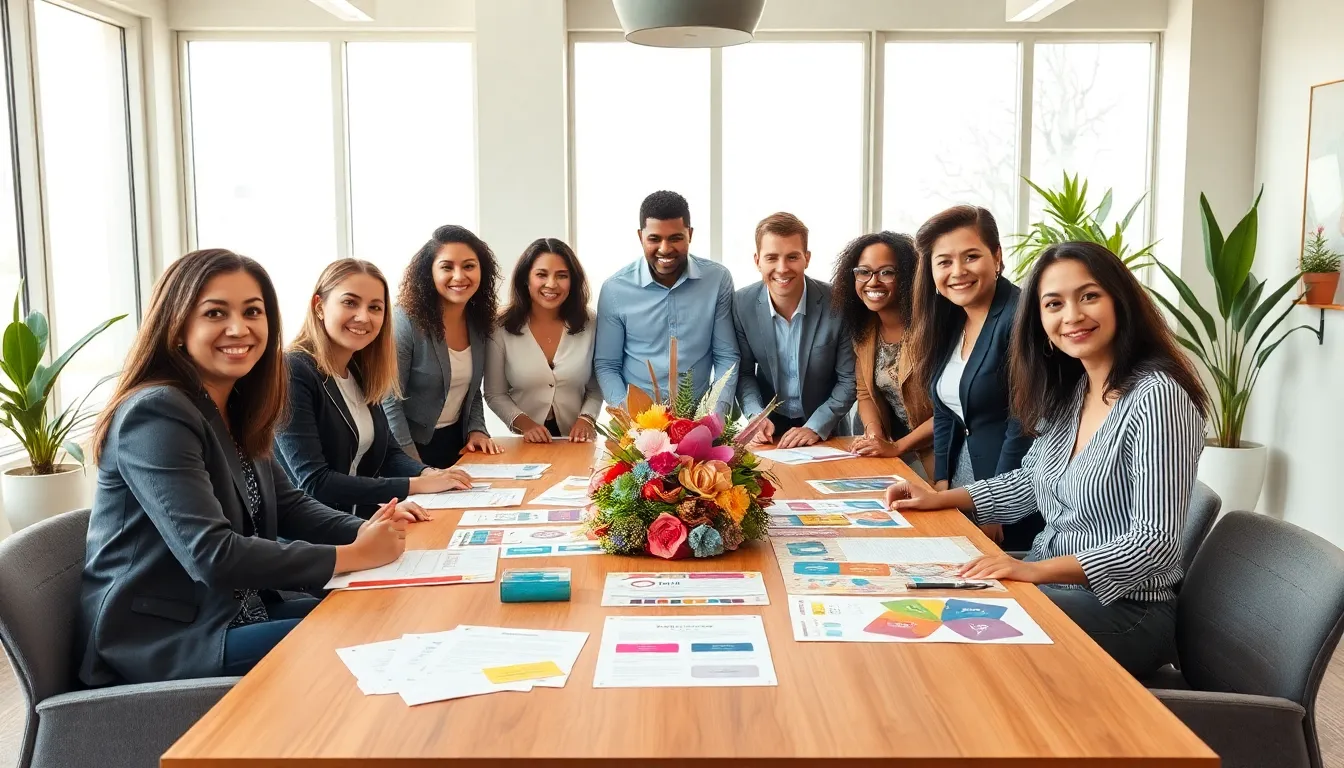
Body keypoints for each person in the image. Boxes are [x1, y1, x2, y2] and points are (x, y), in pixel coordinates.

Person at [79, 249, 417, 685]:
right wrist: (351, 555)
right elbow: (213, 555)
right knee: (366, 639)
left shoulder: (234, 403)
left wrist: (370, 531)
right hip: (165, 638)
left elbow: (291, 505)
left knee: (384, 613)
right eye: (215, 312)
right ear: (178, 325)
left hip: (235, 609)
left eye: (252, 312)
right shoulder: (156, 413)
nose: (238, 328)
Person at [886, 241, 1207, 677]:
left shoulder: (1158, 398)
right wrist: (937, 498)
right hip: (1056, 586)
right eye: (1054, 303)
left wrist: (1031, 571)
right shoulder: (1076, 390)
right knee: (919, 594)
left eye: (1089, 296)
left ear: (1121, 301)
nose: (1071, 315)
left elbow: (1153, 544)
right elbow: (1026, 484)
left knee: (954, 633)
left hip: (1125, 610)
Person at [275, 259, 472, 518]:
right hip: (310, 539)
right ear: (319, 306)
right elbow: (315, 482)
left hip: (355, 520)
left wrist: (428, 472)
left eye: (375, 307)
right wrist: (415, 485)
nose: (363, 317)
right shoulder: (293, 371)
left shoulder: (361, 370)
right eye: (350, 302)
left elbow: (388, 454)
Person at [904, 205, 1042, 550]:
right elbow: (947, 411)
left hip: (1012, 491)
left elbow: (1022, 420)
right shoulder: (950, 320)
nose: (957, 271)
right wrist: (940, 482)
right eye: (944, 262)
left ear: (996, 257)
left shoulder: (1020, 317)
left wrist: (996, 510)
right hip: (963, 480)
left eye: (970, 257)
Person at [594, 190, 739, 411]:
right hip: (637, 422)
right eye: (654, 239)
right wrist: (629, 419)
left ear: (689, 234)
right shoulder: (615, 289)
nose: (665, 249)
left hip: (698, 419)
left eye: (675, 238)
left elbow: (726, 356)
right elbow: (607, 365)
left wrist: (714, 416)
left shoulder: (717, 280)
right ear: (640, 236)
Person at [384, 225, 503, 468]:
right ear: (429, 273)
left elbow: (471, 391)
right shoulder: (405, 321)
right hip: (406, 448)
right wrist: (414, 465)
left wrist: (477, 430)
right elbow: (389, 401)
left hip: (455, 444)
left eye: (469, 266)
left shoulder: (479, 322)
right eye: (447, 267)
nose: (459, 276)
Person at [733, 212, 854, 447]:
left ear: (806, 258)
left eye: (792, 257)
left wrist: (815, 427)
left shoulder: (838, 303)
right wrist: (755, 415)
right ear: (757, 260)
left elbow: (848, 380)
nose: (782, 268)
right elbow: (744, 373)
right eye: (772, 258)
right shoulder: (741, 304)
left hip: (827, 431)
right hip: (769, 431)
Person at [834, 231, 935, 477]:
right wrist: (874, 434)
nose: (873, 281)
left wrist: (895, 447)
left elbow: (951, 409)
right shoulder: (865, 329)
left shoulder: (931, 329)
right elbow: (864, 393)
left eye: (887, 272)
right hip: (899, 451)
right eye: (863, 272)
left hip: (941, 451)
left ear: (909, 276)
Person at [486, 238, 602, 442]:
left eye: (562, 276)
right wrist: (526, 425)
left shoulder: (590, 322)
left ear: (573, 281)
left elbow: (595, 388)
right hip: (525, 442)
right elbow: (495, 394)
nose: (551, 284)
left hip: (578, 443)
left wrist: (587, 419)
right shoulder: (499, 327)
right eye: (541, 274)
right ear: (526, 279)